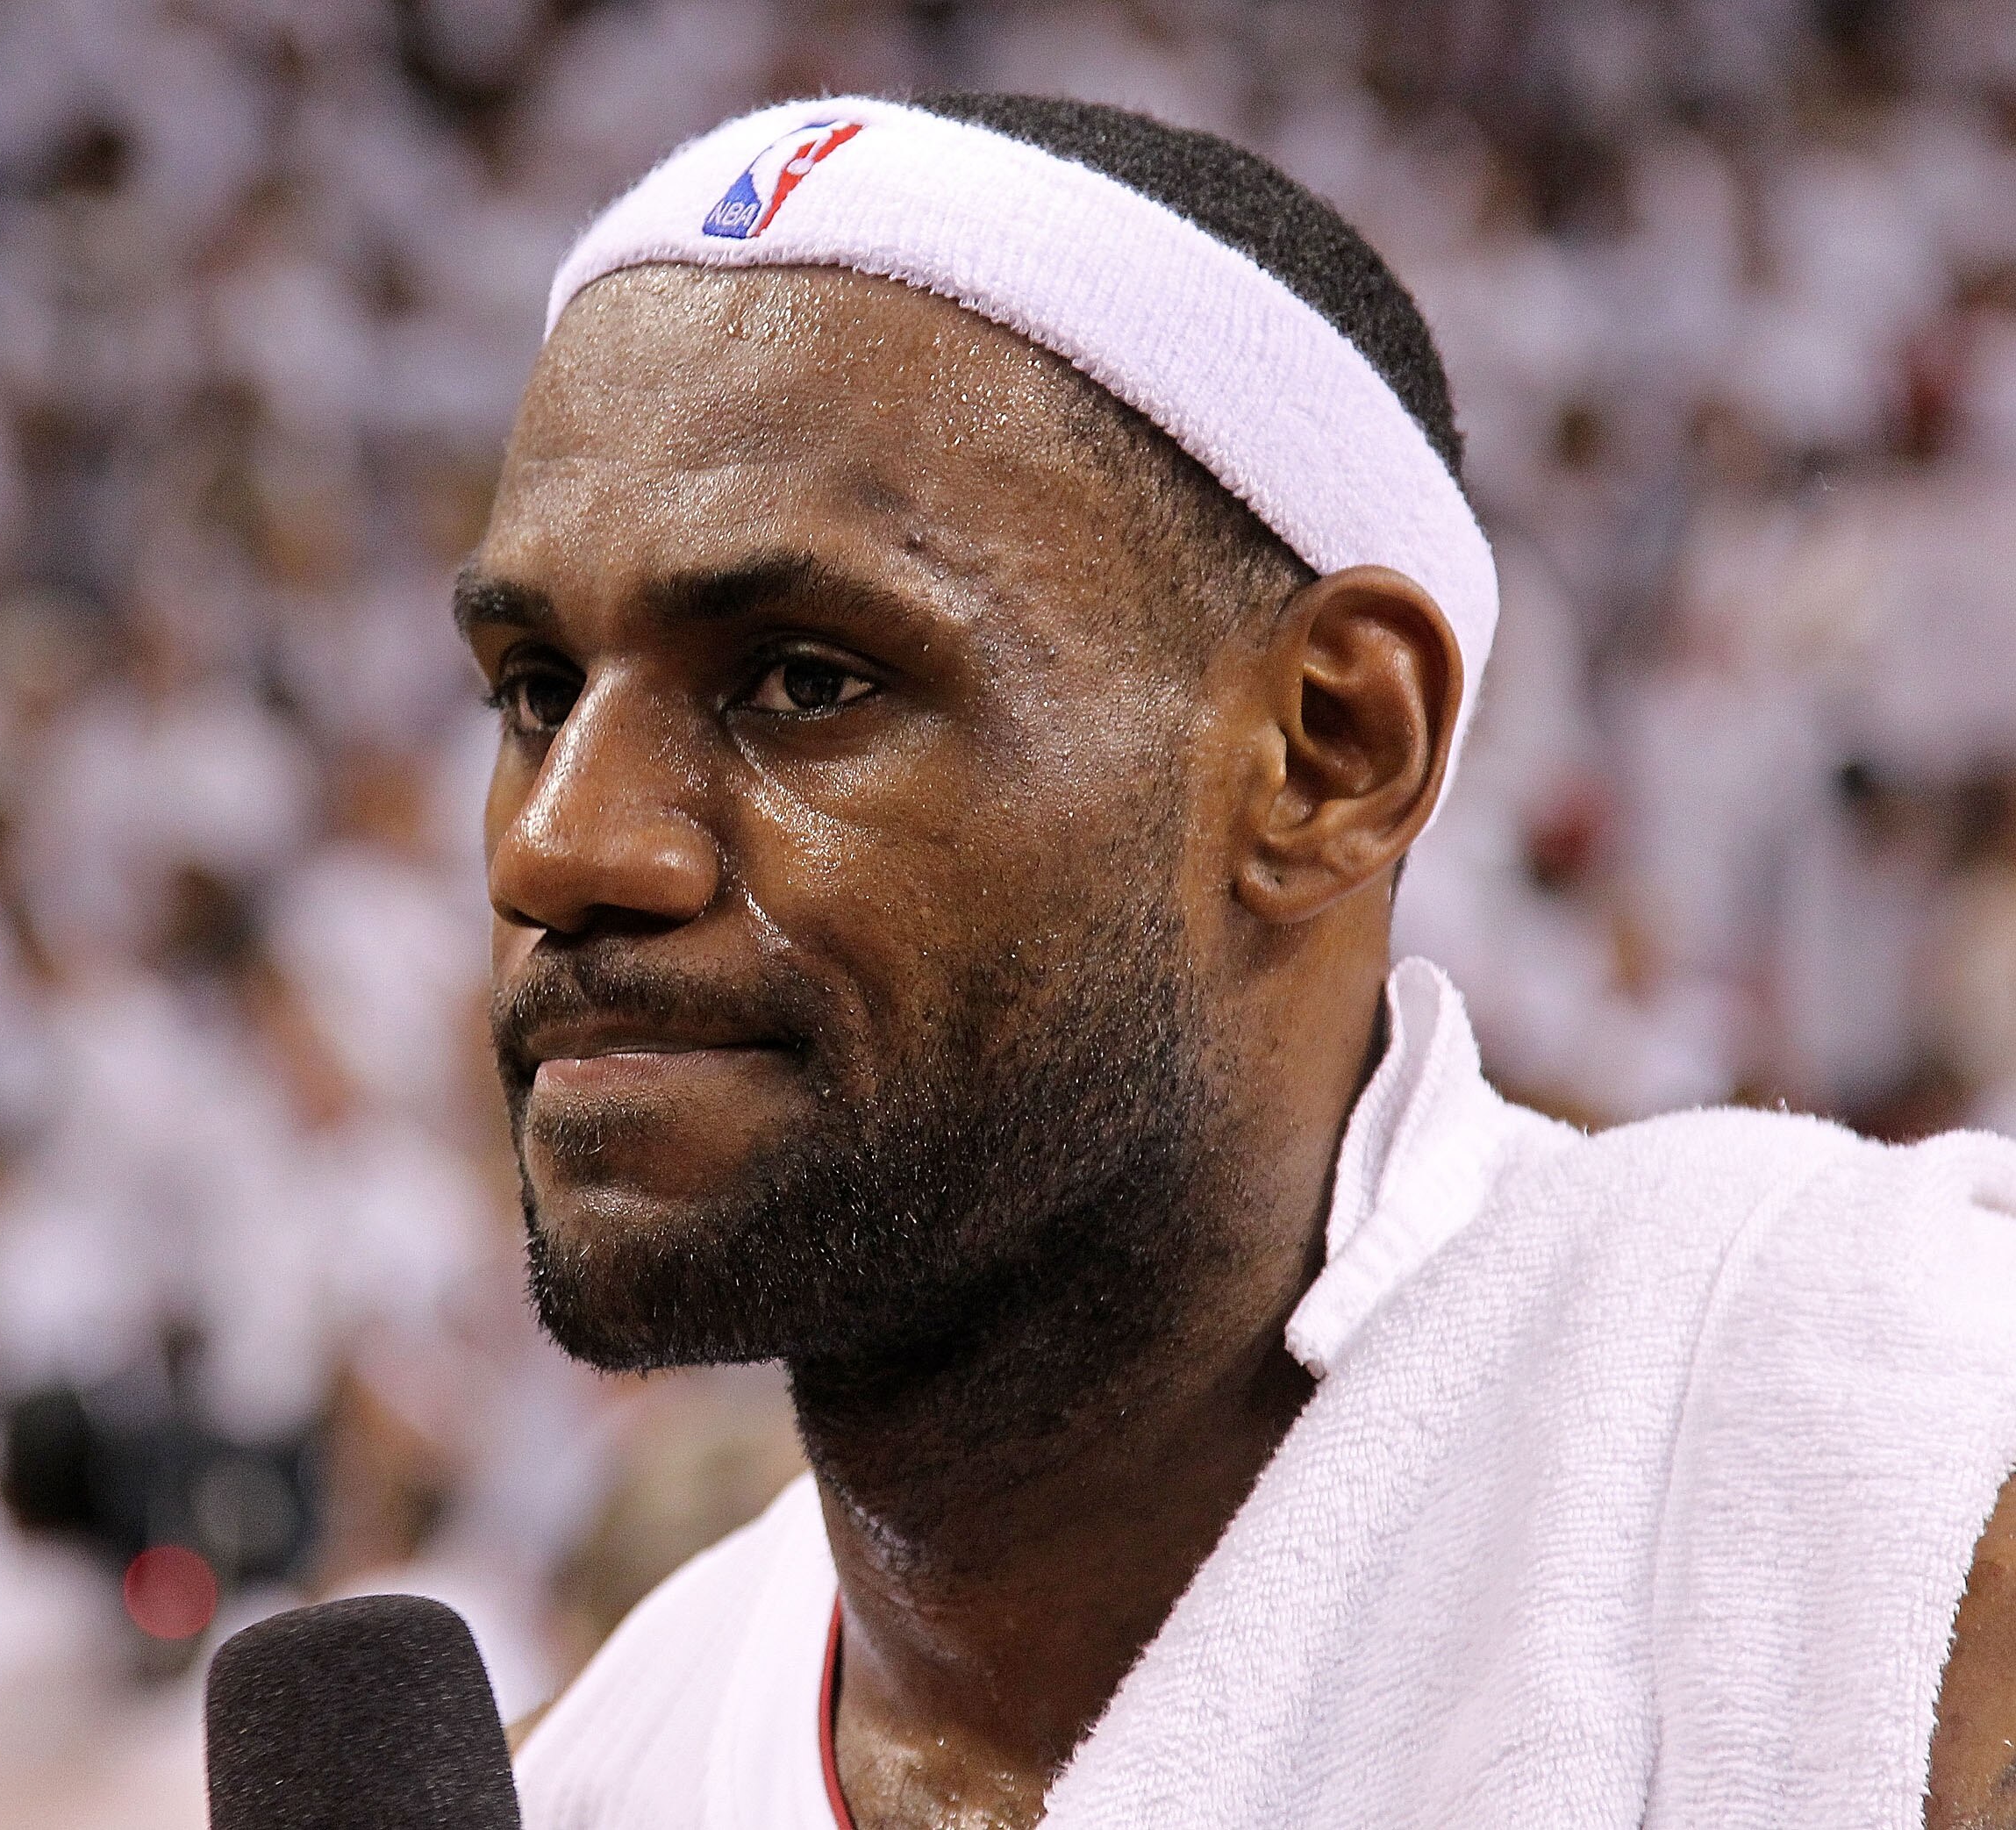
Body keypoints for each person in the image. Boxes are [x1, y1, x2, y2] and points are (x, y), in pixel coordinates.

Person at [458, 94, 2016, 1830]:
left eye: (807, 679)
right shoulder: (593, 1772)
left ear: (1330, 750)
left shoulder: (1883, 1455)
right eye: (534, 694)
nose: (559, 845)